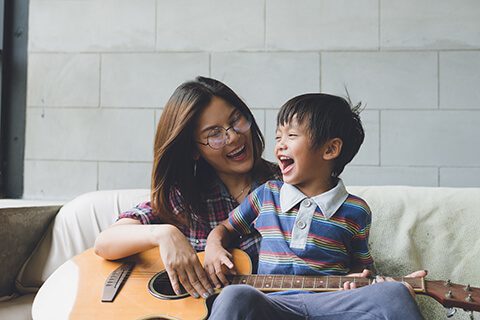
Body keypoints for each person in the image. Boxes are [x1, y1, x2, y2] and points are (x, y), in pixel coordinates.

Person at [205, 93, 425, 319]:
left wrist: (357, 280)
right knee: (234, 295)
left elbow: (361, 265)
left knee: (393, 293)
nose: (280, 145)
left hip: (331, 304)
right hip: (273, 305)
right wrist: (213, 246)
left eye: (291, 135)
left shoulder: (356, 210)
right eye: (278, 137)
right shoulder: (267, 194)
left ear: (330, 150)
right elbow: (226, 228)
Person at [94, 76, 281, 300]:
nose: (233, 137)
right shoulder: (185, 197)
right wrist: (165, 234)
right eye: (214, 134)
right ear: (194, 151)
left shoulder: (287, 185)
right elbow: (104, 242)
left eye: (235, 120)